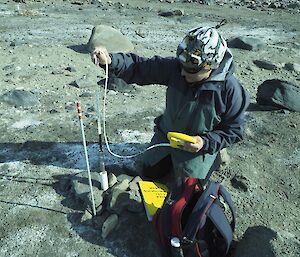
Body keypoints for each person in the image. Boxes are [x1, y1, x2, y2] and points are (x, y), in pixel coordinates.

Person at [91, 25, 249, 184]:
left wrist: (205, 142)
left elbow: (234, 130)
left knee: (188, 189)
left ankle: (215, 157)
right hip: (167, 136)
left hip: (198, 146)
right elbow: (140, 67)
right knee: (149, 171)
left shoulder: (231, 90)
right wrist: (111, 61)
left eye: (190, 71)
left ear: (211, 66)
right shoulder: (176, 68)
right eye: (182, 67)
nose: (182, 73)